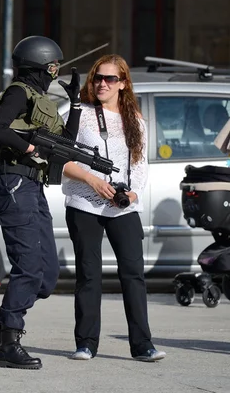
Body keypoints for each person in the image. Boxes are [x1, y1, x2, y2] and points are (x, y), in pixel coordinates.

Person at [0, 36, 82, 369]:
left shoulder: (41, 99)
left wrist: (76, 104)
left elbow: (65, 142)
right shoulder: (19, 92)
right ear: (42, 66)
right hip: (14, 183)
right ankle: (8, 342)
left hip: (32, 187)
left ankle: (1, 325)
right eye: (53, 67)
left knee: (47, 275)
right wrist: (29, 148)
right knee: (29, 267)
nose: (55, 73)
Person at [61, 54, 166, 362]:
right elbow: (61, 160)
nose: (102, 84)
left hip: (123, 206)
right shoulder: (78, 113)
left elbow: (141, 164)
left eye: (110, 79)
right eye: (98, 78)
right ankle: (86, 344)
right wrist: (93, 181)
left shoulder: (135, 119)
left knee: (133, 273)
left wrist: (134, 194)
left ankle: (143, 345)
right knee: (89, 274)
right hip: (84, 202)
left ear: (123, 84)